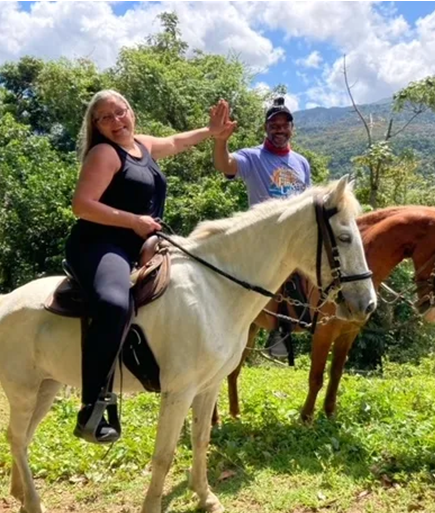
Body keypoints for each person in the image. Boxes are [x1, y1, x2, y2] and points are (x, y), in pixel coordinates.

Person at [66, 90, 229, 444]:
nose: (116, 121)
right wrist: (133, 222)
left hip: (142, 243)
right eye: (105, 117)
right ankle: (92, 408)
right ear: (96, 126)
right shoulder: (104, 153)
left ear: (131, 111)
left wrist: (210, 132)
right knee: (113, 303)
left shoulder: (141, 145)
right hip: (100, 244)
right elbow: (82, 205)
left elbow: (174, 141)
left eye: (120, 112)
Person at [213, 97, 312, 358]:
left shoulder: (301, 162)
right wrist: (221, 141)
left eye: (284, 124)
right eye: (274, 125)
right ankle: (277, 329)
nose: (279, 129)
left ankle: (320, 322)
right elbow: (225, 165)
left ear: (292, 128)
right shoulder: (253, 157)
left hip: (296, 237)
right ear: (266, 129)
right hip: (263, 238)